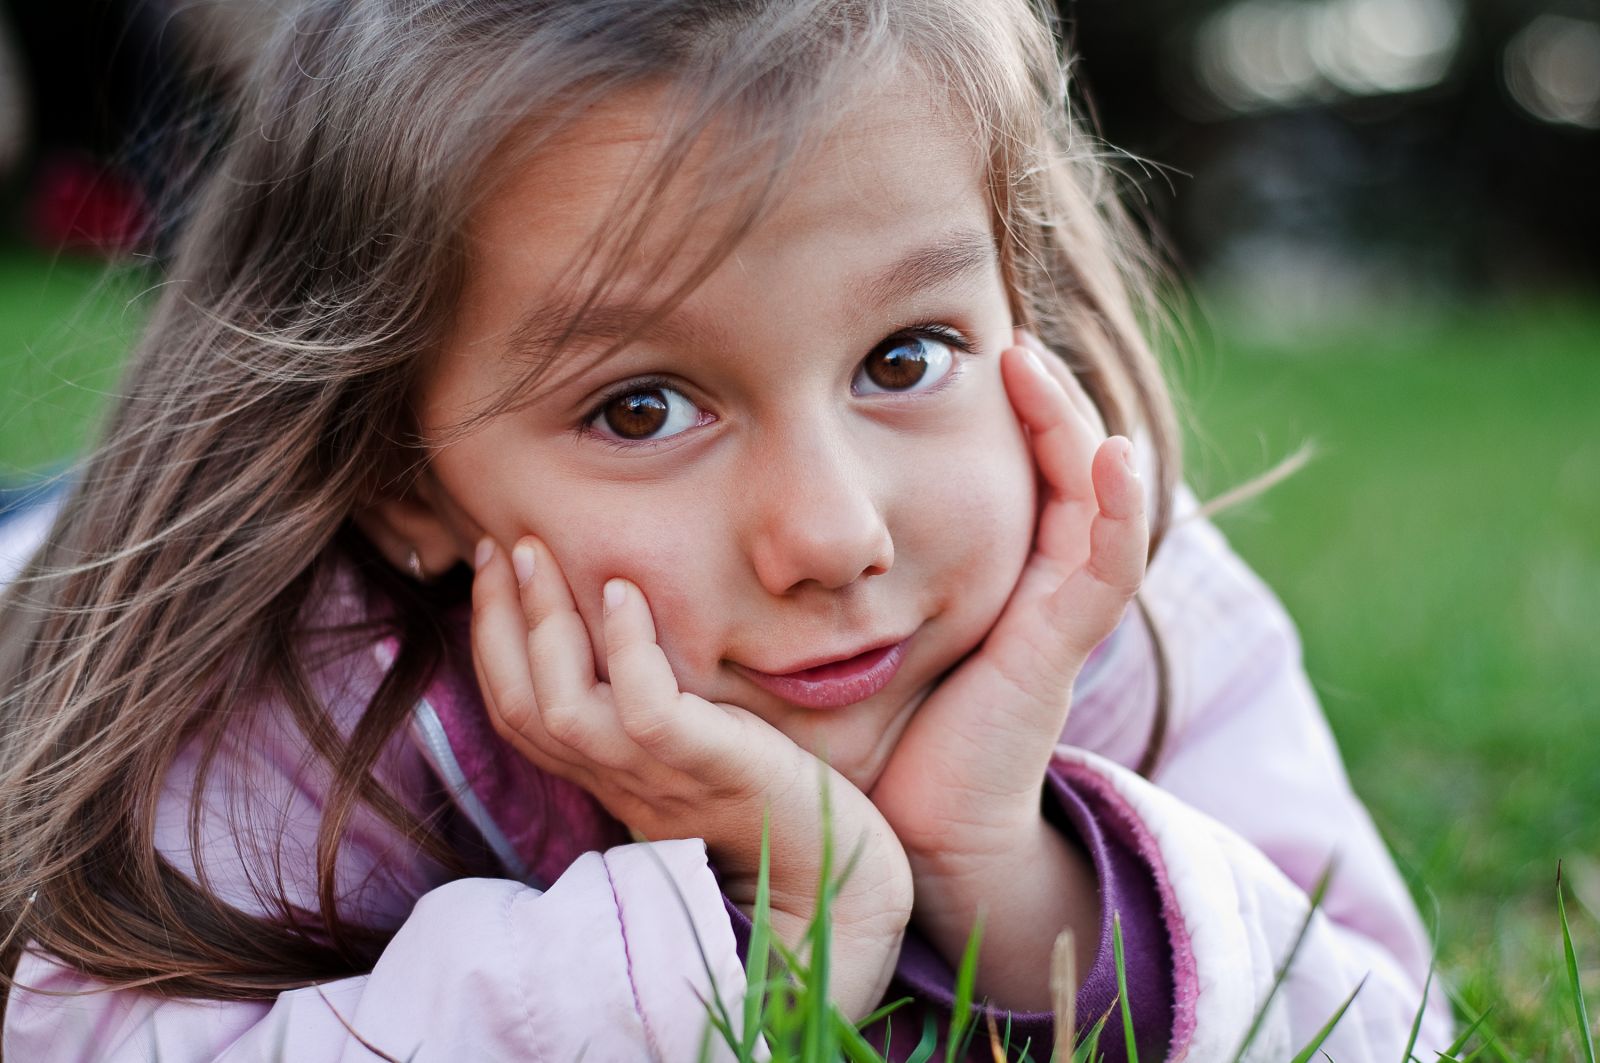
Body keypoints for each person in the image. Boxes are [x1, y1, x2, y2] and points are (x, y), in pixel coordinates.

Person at [0, 0, 1452, 1059]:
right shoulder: (273, 680)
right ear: (405, 476)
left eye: (905, 359)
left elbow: (1386, 1031)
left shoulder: (1097, 586)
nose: (830, 535)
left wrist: (998, 862)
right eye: (641, 409)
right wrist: (770, 923)